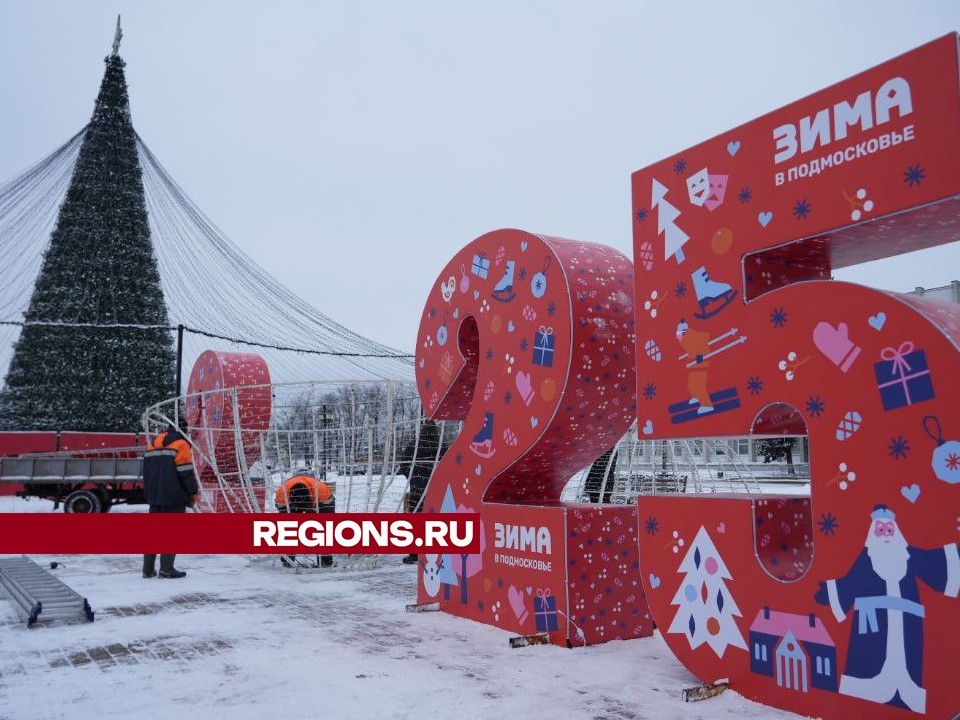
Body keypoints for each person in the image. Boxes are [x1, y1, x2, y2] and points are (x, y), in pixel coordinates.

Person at [142, 420, 198, 579]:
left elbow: (146, 470)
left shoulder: (153, 443)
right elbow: (185, 472)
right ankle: (167, 568)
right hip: (174, 497)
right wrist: (192, 492)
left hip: (154, 496)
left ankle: (147, 569)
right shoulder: (181, 444)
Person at [398, 419, 445, 564]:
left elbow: (404, 464)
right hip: (436, 489)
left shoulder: (415, 445)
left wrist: (412, 478)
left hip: (418, 488)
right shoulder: (441, 446)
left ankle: (414, 554)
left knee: (416, 521)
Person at [275, 471, 335, 568]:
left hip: (322, 502)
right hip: (290, 502)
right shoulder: (282, 495)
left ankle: (325, 560)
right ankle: (288, 560)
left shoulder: (321, 491)